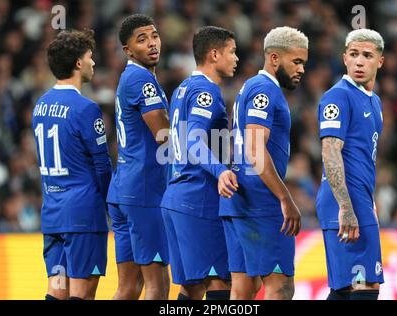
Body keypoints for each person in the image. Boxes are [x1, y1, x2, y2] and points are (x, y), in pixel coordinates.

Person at [219, 26, 307, 300]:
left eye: (304, 62)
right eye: (297, 61)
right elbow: (256, 150)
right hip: (260, 201)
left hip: (239, 199)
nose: (302, 69)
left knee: (244, 290)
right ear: (274, 58)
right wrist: (285, 197)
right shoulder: (264, 90)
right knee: (280, 286)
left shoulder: (249, 87)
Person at [32, 29, 112, 300]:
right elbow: (102, 165)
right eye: (90, 57)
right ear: (78, 63)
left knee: (56, 290)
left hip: (53, 213)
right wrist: (108, 201)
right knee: (82, 294)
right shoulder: (86, 109)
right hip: (83, 215)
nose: (93, 62)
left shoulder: (39, 106)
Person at [160, 26, 239, 300]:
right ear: (214, 54)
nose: (236, 58)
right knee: (219, 282)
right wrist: (220, 171)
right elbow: (193, 140)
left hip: (175, 198)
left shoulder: (182, 89)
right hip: (199, 199)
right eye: (232, 52)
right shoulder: (207, 91)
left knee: (192, 289)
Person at [315, 28, 385, 300]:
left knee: (346, 288)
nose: (359, 61)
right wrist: (346, 207)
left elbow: (364, 157)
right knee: (364, 284)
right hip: (343, 202)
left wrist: (370, 202)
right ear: (344, 58)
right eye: (354, 54)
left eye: (367, 55)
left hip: (359, 200)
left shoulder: (374, 101)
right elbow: (330, 152)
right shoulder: (338, 96)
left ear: (380, 61)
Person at [106, 14, 170, 300]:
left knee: (129, 287)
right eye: (142, 40)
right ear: (128, 50)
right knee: (158, 285)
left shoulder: (129, 78)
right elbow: (164, 135)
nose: (152, 43)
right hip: (144, 192)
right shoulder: (142, 80)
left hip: (123, 190)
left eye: (154, 36)